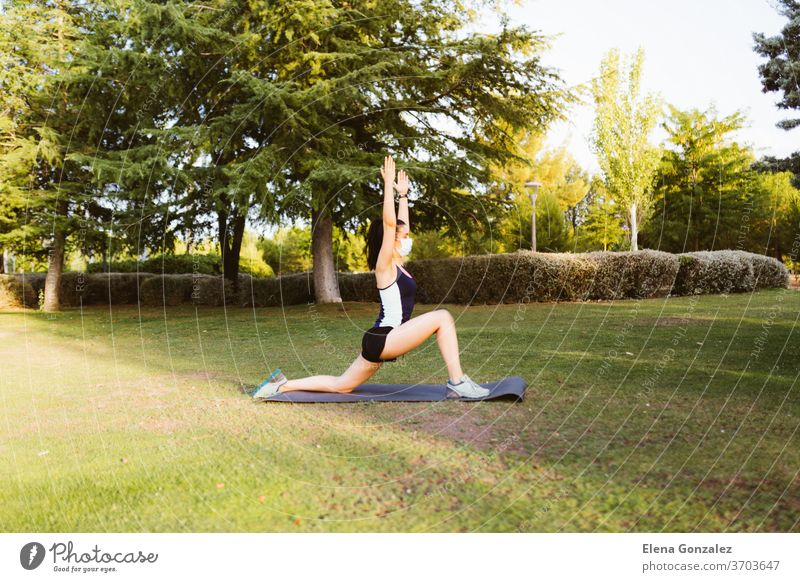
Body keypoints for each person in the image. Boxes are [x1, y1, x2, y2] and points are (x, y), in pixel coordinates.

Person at [252, 155, 489, 400]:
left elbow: (399, 225)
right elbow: (390, 225)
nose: (406, 235)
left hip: (381, 338)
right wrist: (387, 186)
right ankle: (457, 382)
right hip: (386, 337)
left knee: (341, 385)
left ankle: (280, 385)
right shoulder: (384, 264)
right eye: (402, 234)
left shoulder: (398, 262)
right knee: (443, 317)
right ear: (391, 237)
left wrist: (404, 195)